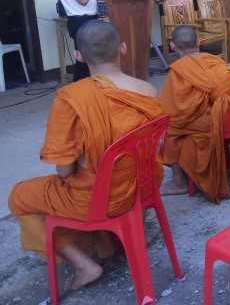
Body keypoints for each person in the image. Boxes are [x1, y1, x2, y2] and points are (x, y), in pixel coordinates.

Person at [9, 20, 161, 291]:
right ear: (122, 48)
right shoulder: (147, 91)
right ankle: (120, 238)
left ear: (78, 56)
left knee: (19, 196)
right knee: (109, 173)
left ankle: (84, 265)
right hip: (143, 184)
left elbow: (64, 169)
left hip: (99, 200)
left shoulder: (71, 98)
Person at [159, 25, 230, 202]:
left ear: (172, 46)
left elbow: (178, 110)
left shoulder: (179, 69)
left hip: (224, 117)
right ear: (198, 42)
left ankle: (179, 182)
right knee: (185, 124)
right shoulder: (214, 59)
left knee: (169, 126)